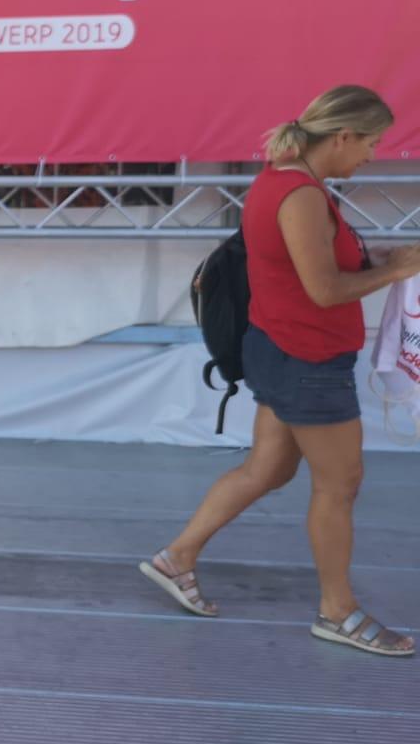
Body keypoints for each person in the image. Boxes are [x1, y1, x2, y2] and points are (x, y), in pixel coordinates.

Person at [142, 86, 420, 657]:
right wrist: (395, 272)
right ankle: (337, 612)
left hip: (280, 350)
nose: (372, 154)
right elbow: (323, 290)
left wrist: (383, 261)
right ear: (342, 136)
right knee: (339, 486)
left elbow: (308, 269)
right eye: (370, 142)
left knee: (266, 470)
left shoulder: (285, 182)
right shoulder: (301, 195)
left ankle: (177, 558)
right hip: (308, 360)